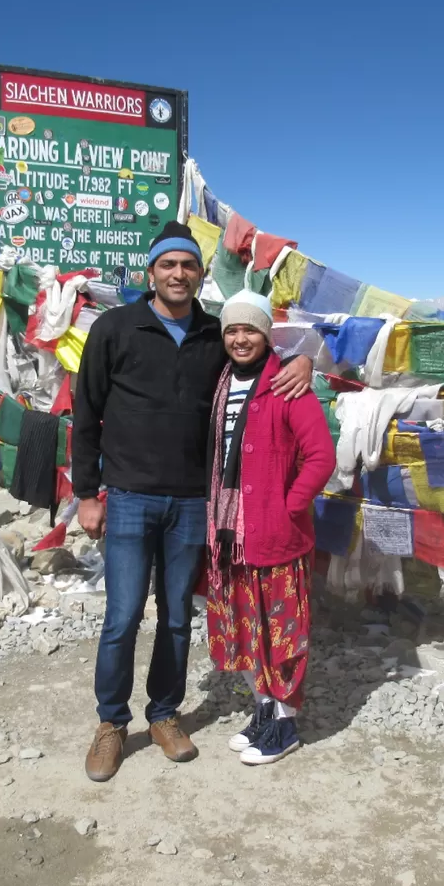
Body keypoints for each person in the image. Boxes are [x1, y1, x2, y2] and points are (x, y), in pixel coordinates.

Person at [72, 221, 314, 783]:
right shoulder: (115, 328)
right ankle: (112, 723)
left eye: (187, 265)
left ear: (200, 273)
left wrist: (307, 363)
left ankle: (163, 714)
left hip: (192, 503)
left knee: (177, 616)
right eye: (167, 265)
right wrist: (87, 493)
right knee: (123, 615)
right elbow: (85, 414)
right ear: (150, 272)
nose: (178, 273)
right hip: (129, 496)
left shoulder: (216, 334)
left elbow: (266, 361)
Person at [205, 291, 335, 765]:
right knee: (244, 627)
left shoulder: (285, 385)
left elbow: (321, 457)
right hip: (228, 532)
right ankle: (263, 708)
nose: (241, 339)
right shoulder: (220, 382)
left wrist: (290, 506)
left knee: (280, 631)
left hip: (274, 533)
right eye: (233, 331)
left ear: (266, 334)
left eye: (251, 330)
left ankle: (286, 723)